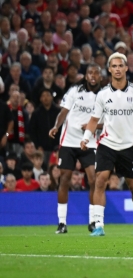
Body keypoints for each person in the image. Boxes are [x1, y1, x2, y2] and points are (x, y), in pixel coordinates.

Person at [80, 53, 133, 237]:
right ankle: (99, 225)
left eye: (120, 66)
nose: (117, 69)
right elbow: (94, 120)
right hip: (107, 144)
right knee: (100, 180)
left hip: (128, 146)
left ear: (126, 68)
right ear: (109, 69)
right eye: (114, 66)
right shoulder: (102, 94)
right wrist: (86, 138)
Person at [49, 63, 103, 234]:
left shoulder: (105, 96)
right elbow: (63, 112)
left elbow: (107, 122)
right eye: (90, 72)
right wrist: (56, 127)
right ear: (86, 76)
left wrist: (92, 126)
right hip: (69, 141)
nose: (93, 75)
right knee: (64, 179)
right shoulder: (74, 90)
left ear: (100, 77)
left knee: (94, 179)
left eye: (96, 73)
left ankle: (93, 221)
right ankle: (62, 223)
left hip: (89, 142)